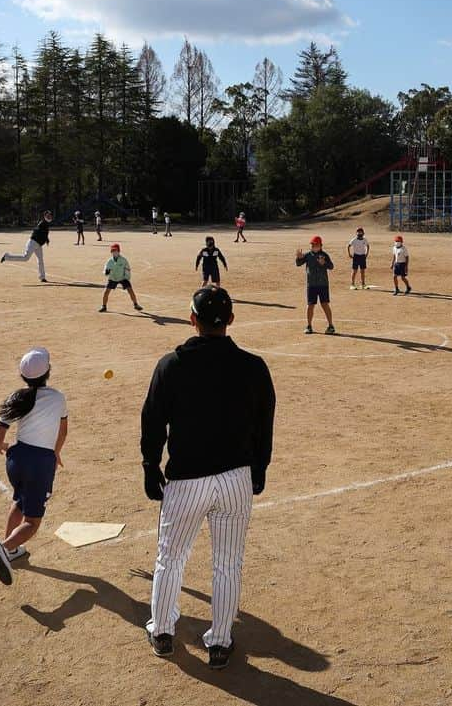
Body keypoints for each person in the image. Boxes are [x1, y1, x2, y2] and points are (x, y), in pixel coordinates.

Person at [140, 286, 275, 669]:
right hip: (235, 477)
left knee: (170, 558)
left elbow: (153, 421)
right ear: (230, 320)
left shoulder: (172, 364)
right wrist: (259, 468)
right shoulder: (254, 366)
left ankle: (163, 630)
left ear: (192, 319)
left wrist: (150, 465)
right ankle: (219, 640)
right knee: (228, 562)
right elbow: (264, 425)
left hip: (186, 479)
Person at [0, 347, 68, 586]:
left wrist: (3, 445)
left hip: (16, 458)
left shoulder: (17, 396)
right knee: (32, 522)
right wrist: (55, 455)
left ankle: (10, 550)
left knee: (20, 501)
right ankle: (4, 547)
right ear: (48, 372)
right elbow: (62, 431)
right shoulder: (57, 397)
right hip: (38, 463)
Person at [295, 236, 335, 334]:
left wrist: (324, 263)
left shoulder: (324, 255)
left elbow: (331, 266)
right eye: (312, 244)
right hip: (311, 285)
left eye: (315, 244)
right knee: (310, 305)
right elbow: (299, 263)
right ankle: (309, 326)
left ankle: (331, 326)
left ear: (320, 245)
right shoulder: (308, 255)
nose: (313, 246)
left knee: (325, 304)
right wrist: (298, 258)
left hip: (323, 284)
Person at [1, 210, 51, 282]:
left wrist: (46, 239)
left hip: (38, 245)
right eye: (48, 215)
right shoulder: (42, 223)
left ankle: (42, 277)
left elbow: (44, 233)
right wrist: (43, 237)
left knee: (40, 260)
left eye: (50, 215)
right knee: (25, 258)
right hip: (33, 243)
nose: (49, 217)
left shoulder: (46, 224)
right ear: (44, 216)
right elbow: (36, 231)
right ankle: (7, 257)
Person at [100, 243, 143, 312]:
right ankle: (104, 306)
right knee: (106, 292)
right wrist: (106, 272)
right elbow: (106, 269)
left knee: (130, 290)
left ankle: (136, 304)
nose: (114, 252)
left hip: (123, 278)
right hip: (113, 278)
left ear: (119, 251)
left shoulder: (123, 260)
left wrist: (127, 278)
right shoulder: (109, 261)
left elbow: (127, 269)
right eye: (113, 251)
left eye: (115, 250)